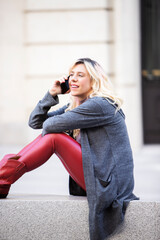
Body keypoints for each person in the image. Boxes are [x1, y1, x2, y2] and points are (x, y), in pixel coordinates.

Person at [0, 58, 138, 240]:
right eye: (71, 75)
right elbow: (35, 122)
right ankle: (3, 176)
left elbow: (49, 127)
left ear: (94, 81)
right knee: (50, 135)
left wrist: (59, 116)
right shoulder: (76, 106)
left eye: (80, 75)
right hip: (98, 179)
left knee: (55, 137)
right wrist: (51, 94)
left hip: (110, 187)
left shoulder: (101, 104)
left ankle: (3, 176)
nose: (73, 79)